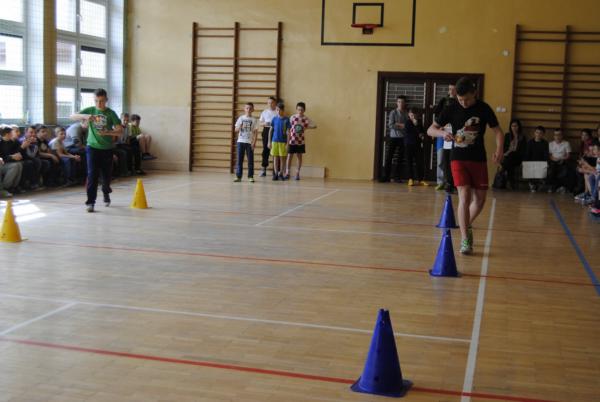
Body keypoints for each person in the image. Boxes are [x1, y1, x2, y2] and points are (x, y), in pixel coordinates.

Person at [427, 77, 503, 255]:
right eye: (460, 99)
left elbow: (498, 131)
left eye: (467, 99)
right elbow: (431, 129)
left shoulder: (484, 108)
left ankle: (465, 224)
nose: (463, 103)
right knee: (464, 197)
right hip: (458, 158)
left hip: (478, 159)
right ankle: (465, 239)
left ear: (474, 93)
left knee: (480, 200)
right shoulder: (451, 108)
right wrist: (442, 133)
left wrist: (499, 149)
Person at [70, 88, 122, 212]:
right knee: (92, 175)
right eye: (96, 101)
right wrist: (85, 116)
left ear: (106, 100)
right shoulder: (91, 110)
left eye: (102, 101)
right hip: (92, 148)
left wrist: (108, 132)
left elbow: (120, 131)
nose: (99, 103)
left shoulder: (111, 113)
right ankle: (90, 202)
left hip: (107, 149)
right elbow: (72, 116)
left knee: (106, 176)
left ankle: (106, 191)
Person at [433, 85, 458, 192]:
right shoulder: (443, 101)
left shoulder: (460, 102)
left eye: (453, 89)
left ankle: (452, 183)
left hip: (454, 135)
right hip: (442, 134)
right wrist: (439, 127)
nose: (451, 90)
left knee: (453, 160)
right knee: (441, 159)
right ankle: (441, 182)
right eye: (449, 89)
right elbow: (437, 116)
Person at [286, 102, 317, 181]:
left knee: (299, 157)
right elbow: (288, 129)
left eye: (302, 110)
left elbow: (314, 125)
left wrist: (307, 127)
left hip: (300, 141)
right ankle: (287, 172)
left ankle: (297, 173)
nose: (300, 111)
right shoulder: (292, 117)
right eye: (298, 109)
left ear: (304, 110)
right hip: (292, 140)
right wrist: (288, 140)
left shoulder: (306, 119)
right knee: (289, 156)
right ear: (296, 109)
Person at [381, 95, 408, 182]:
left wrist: (398, 124)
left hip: (403, 138)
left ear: (405, 103)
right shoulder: (393, 112)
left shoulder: (406, 113)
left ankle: (397, 177)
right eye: (399, 102)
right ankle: (386, 176)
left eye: (402, 102)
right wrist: (401, 125)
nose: (400, 103)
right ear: (397, 103)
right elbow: (391, 125)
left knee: (400, 158)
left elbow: (407, 126)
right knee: (389, 157)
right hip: (393, 138)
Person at [233, 102, 258, 182]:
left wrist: (254, 143)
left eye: (250, 108)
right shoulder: (241, 118)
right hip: (240, 141)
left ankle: (250, 176)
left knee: (250, 160)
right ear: (244, 109)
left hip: (249, 143)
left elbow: (255, 133)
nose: (248, 110)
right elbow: (236, 130)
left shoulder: (254, 120)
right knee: (239, 160)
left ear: (253, 110)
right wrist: (239, 127)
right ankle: (238, 176)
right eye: (247, 108)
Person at [498, 118, 526, 190]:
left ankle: (503, 173)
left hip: (517, 157)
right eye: (512, 126)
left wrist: (512, 151)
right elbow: (504, 148)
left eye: (516, 126)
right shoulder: (507, 135)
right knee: (508, 161)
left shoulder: (522, 137)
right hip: (508, 157)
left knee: (509, 158)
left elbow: (523, 151)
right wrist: (506, 152)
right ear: (510, 127)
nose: (514, 128)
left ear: (518, 127)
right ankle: (511, 182)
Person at [404, 107, 428, 186]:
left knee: (419, 162)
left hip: (417, 144)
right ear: (409, 115)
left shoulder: (419, 121)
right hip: (409, 144)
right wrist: (416, 126)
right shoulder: (407, 122)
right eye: (411, 115)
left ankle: (420, 179)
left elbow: (422, 131)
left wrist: (419, 128)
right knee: (409, 162)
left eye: (414, 115)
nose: (413, 117)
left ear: (417, 115)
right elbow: (410, 132)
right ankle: (410, 179)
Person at [268, 101, 290, 181]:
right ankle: (276, 173)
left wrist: (287, 143)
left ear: (283, 110)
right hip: (274, 141)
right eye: (277, 110)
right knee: (275, 157)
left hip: (283, 142)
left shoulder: (286, 120)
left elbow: (288, 132)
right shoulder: (274, 119)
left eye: (279, 110)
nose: (278, 111)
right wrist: (269, 142)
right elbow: (270, 130)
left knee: (282, 158)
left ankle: (281, 173)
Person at [19, 125, 45, 190]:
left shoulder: (35, 141)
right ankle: (32, 183)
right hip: (23, 159)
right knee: (31, 163)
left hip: (31, 159)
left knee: (43, 162)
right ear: (25, 133)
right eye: (31, 132)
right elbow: (24, 155)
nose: (33, 134)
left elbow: (34, 154)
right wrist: (27, 145)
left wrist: (35, 145)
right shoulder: (21, 141)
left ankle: (39, 182)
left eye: (35, 132)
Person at [525, 126, 549, 193]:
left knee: (545, 169)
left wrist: (546, 163)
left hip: (541, 163)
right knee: (527, 166)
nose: (538, 134)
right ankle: (532, 184)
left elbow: (546, 155)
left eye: (540, 133)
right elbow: (527, 154)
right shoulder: (530, 142)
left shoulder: (545, 143)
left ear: (543, 134)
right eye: (537, 132)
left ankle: (539, 184)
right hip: (531, 162)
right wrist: (525, 162)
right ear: (534, 133)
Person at [0, 125, 23, 195]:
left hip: (8, 163)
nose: (13, 134)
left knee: (19, 164)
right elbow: (2, 157)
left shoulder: (12, 142)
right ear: (7, 134)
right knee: (15, 166)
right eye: (11, 132)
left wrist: (18, 155)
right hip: (2, 164)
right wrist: (11, 157)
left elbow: (15, 152)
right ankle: (6, 187)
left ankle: (14, 186)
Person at [547, 129, 571, 193]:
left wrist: (563, 159)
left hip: (563, 160)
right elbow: (550, 155)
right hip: (553, 161)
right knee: (551, 170)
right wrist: (555, 159)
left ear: (562, 136)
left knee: (565, 170)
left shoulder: (566, 143)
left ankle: (562, 186)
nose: (557, 136)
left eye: (559, 135)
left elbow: (568, 155)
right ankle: (552, 186)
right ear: (554, 136)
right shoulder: (551, 144)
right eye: (556, 135)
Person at [259, 97, 278, 177]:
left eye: (272, 102)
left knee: (276, 150)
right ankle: (263, 169)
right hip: (266, 131)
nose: (270, 104)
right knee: (266, 150)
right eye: (269, 103)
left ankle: (275, 170)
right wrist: (265, 123)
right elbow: (260, 123)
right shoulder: (264, 112)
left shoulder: (277, 111)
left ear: (275, 103)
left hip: (276, 131)